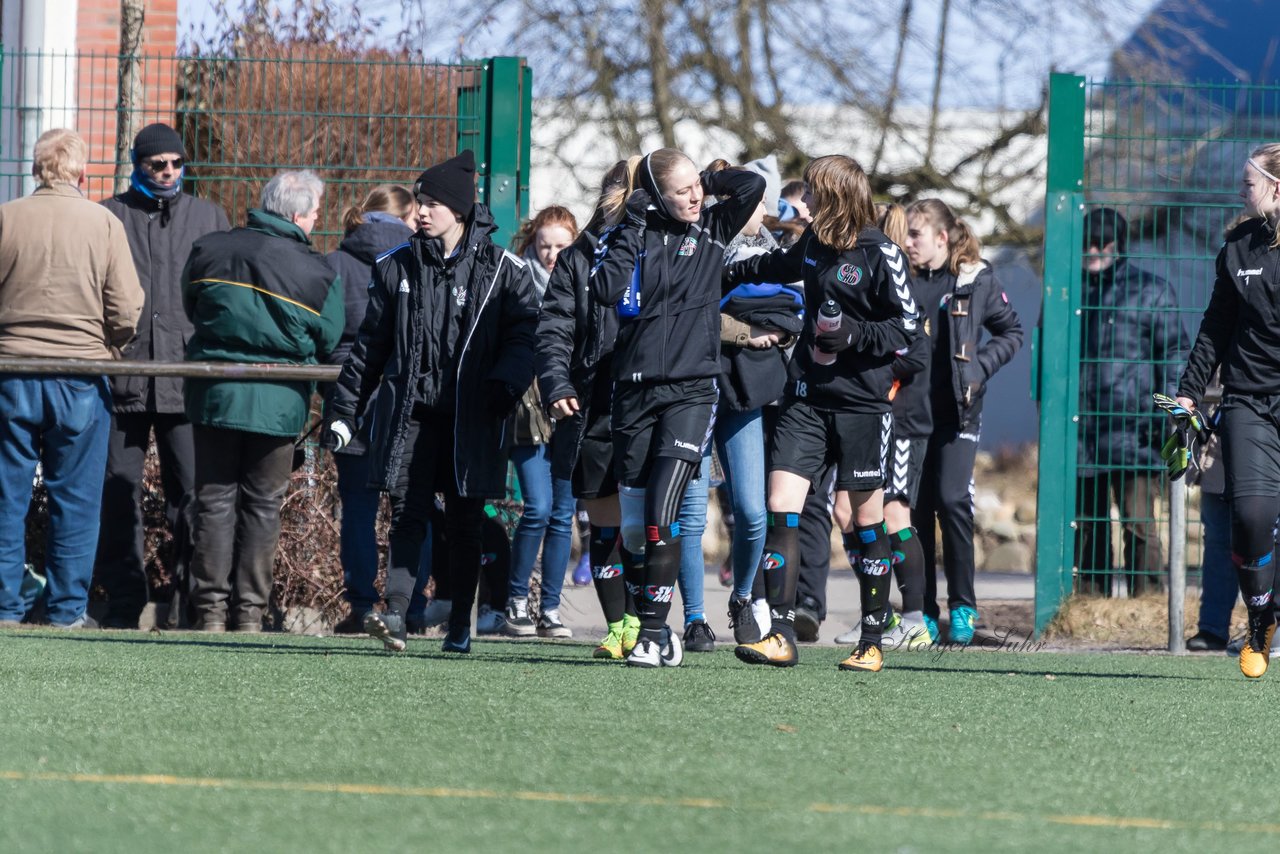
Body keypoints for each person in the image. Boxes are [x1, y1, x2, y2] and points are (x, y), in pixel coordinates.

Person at [327, 149, 538, 654]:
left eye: (432, 202)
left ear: (459, 211)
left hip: (472, 417)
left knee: (466, 524)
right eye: (418, 201)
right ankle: (396, 615)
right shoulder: (396, 265)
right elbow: (370, 346)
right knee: (407, 513)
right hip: (412, 415)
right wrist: (343, 410)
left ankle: (460, 628)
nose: (421, 211)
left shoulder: (502, 269)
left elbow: (525, 337)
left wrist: (503, 384)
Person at [725, 154, 920, 671]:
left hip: (862, 407)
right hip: (806, 401)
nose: (801, 202)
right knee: (780, 504)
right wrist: (715, 272)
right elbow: (767, 267)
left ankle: (873, 640)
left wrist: (853, 335)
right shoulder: (811, 244)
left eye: (810, 193)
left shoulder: (882, 254)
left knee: (864, 519)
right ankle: (781, 633)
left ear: (833, 197)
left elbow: (908, 332)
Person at [590, 148, 765, 667]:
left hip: (693, 391)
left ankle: (651, 633)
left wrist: (712, 177)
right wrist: (630, 226)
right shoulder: (630, 233)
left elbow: (751, 187)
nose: (694, 197)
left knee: (665, 510)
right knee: (634, 529)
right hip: (636, 393)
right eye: (682, 190)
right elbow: (603, 288)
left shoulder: (711, 227)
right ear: (654, 196)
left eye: (697, 187)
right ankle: (655, 629)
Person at [183, 169, 343, 632]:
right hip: (278, 404)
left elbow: (192, 308)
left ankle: (209, 612)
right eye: (315, 213)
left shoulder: (209, 250)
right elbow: (329, 336)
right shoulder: (316, 272)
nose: (316, 221)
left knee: (213, 501)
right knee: (262, 506)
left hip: (214, 395)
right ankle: (249, 613)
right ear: (297, 215)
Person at [0, 128, 143, 628]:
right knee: (77, 501)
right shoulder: (103, 223)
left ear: (35, 169)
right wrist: (108, 347)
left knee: (6, 496)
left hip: (11, 371)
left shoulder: (6, 218)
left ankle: (4, 608)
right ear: (83, 173)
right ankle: (65, 611)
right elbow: (127, 308)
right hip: (81, 374)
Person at [94, 123, 231, 630]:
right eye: (158, 164)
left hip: (185, 377)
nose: (170, 171)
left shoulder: (209, 216)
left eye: (176, 162)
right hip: (122, 377)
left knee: (192, 495)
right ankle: (125, 602)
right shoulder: (108, 216)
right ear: (138, 165)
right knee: (117, 490)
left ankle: (191, 604)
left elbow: (220, 295)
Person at [1176, 142, 1280, 678]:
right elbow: (1216, 324)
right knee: (1250, 517)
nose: (1240, 191)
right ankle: (1261, 618)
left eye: (1248, 182)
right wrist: (1189, 390)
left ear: (1275, 188)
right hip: (1249, 400)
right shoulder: (1239, 246)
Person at [904, 198, 1022, 645]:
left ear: (941, 237)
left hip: (958, 411)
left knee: (953, 501)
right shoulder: (901, 278)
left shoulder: (975, 280)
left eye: (916, 235)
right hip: (909, 415)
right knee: (914, 508)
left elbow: (1011, 332)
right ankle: (921, 611)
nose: (908, 243)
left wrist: (978, 368)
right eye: (906, 235)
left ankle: (963, 607)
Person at [708, 157, 804, 647]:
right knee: (683, 512)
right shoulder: (704, 244)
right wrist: (748, 332)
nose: (763, 210)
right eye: (755, 201)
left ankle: (744, 597)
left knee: (752, 511)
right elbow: (691, 317)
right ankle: (686, 619)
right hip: (695, 389)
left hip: (744, 394)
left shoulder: (773, 251)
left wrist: (779, 334)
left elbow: (797, 315)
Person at [322, 184, 426, 634]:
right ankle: (411, 607)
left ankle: (362, 602)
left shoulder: (335, 262)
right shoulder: (421, 260)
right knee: (411, 506)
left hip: (349, 393)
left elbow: (325, 334)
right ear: (407, 216)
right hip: (407, 395)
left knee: (358, 510)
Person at [834, 202, 934, 648]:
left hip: (900, 420)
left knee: (893, 513)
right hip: (859, 414)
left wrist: (877, 368)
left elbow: (917, 352)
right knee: (847, 512)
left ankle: (913, 618)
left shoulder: (895, 279)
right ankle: (878, 612)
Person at [1076, 206, 1188, 597]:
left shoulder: (1150, 290)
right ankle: (1089, 600)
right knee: (1087, 522)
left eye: (1101, 243)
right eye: (1087, 243)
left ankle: (1150, 602)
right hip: (1081, 426)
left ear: (1118, 245)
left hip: (1136, 426)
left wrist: (1168, 414)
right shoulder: (1067, 291)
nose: (1093, 250)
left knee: (1139, 522)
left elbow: (1173, 354)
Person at [503, 205, 580, 640]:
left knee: (563, 513)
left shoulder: (584, 282)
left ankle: (549, 608)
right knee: (539, 507)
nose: (551, 254)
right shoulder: (516, 283)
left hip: (569, 409)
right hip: (528, 409)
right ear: (532, 243)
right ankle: (517, 601)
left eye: (560, 246)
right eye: (544, 245)